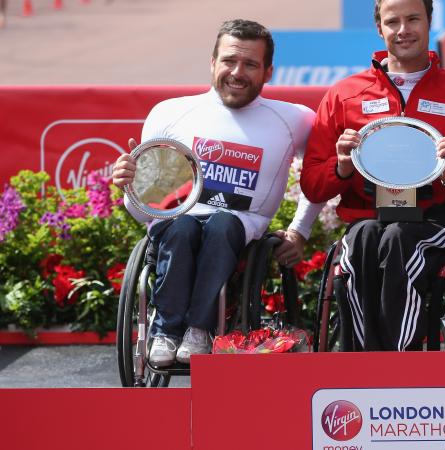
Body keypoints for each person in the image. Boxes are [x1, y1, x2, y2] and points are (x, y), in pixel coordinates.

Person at [111, 19, 323, 366]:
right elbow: (145, 212)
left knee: (223, 224)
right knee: (181, 227)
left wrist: (300, 230)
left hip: (241, 225)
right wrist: (129, 188)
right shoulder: (169, 113)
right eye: (228, 61)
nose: (237, 72)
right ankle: (165, 330)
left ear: (269, 71)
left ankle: (200, 329)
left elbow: (318, 177)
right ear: (212, 63)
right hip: (177, 223)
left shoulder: (295, 119)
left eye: (250, 64)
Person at [300, 0, 445, 351]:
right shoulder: (343, 95)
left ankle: (396, 358)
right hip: (367, 216)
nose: (403, 30)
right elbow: (313, 186)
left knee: (398, 240)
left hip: (435, 220)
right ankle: (363, 359)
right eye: (393, 21)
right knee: (362, 240)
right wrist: (341, 167)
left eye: (413, 19)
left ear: (429, 22)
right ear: (380, 28)